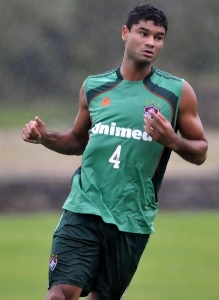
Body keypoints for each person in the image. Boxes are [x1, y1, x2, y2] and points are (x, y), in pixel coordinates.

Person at [22, 4, 208, 300]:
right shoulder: (95, 87)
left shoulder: (176, 92)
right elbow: (78, 140)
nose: (150, 42)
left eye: (158, 37)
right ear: (125, 33)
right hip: (83, 208)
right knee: (59, 294)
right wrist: (44, 137)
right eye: (143, 33)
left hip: (132, 217)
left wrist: (173, 140)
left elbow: (201, 150)